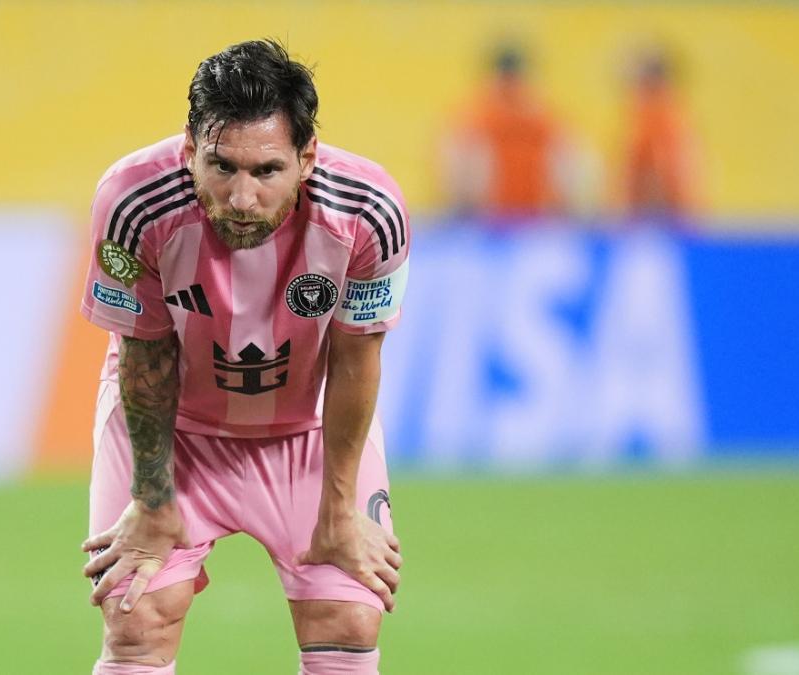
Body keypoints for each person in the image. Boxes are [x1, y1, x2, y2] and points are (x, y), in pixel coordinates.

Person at [78, 40, 409, 674]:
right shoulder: (132, 202)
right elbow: (145, 356)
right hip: (173, 429)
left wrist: (340, 510)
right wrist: (152, 500)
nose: (241, 198)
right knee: (137, 616)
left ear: (307, 158)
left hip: (308, 429)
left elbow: (355, 361)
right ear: (189, 150)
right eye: (222, 166)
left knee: (348, 617)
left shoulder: (369, 211)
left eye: (266, 171)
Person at [443, 43, 574, 222]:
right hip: (491, 218)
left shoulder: (543, 120)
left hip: (536, 217)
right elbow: (460, 172)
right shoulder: (477, 119)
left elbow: (564, 167)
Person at [620, 47, 699, 222]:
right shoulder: (671, 114)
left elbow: (660, 172)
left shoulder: (657, 117)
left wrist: (646, 219)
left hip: (660, 220)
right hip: (669, 218)